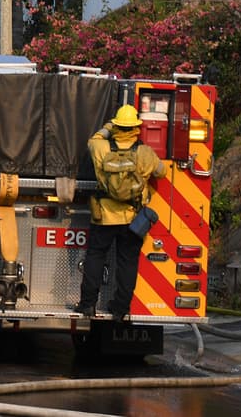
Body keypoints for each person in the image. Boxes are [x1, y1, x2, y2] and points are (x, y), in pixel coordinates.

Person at [75, 104, 166, 320]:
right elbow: (161, 173)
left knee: (96, 256)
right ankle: (120, 308)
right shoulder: (145, 152)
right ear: (136, 127)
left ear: (117, 125)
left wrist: (109, 125)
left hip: (104, 216)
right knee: (127, 262)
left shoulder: (100, 147)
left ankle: (88, 305)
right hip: (133, 219)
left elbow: (94, 138)